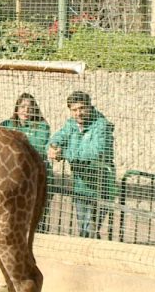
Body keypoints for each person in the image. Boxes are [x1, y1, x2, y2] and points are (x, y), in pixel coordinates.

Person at [48, 91, 115, 239]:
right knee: (83, 228)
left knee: (91, 228)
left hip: (100, 184)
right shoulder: (71, 123)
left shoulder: (101, 126)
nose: (79, 113)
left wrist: (64, 153)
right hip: (80, 184)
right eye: (74, 110)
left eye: (82, 108)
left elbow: (95, 152)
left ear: (90, 107)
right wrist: (53, 145)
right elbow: (60, 135)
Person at [0, 93, 51, 231]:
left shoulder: (42, 126)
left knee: (36, 217)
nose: (26, 111)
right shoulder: (7, 124)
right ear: (17, 108)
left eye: (30, 107)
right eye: (22, 107)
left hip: (36, 177)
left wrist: (12, 142)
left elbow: (36, 147)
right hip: (14, 176)